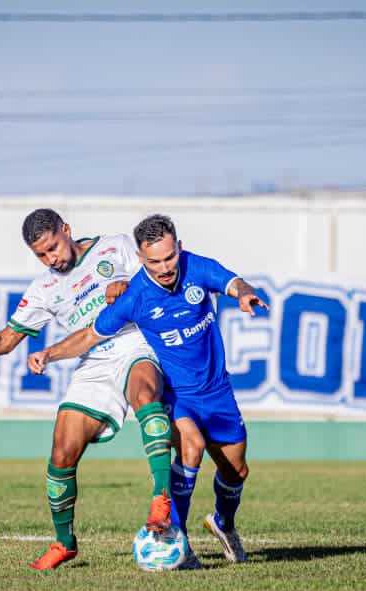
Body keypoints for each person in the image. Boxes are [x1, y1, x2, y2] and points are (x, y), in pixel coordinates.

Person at [0, 208, 174, 571]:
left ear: (67, 230)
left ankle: (161, 502)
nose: (52, 258)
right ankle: (64, 543)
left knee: (146, 397)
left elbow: (162, 275)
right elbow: (5, 340)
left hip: (136, 344)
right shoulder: (44, 289)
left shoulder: (114, 247)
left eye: (54, 247)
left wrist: (131, 286)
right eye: (42, 255)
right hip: (92, 364)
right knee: (61, 454)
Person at [29, 214, 268, 568]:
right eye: (154, 261)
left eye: (169, 257)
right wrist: (50, 353)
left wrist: (245, 293)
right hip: (177, 393)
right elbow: (91, 335)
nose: (165, 267)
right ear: (140, 259)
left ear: (179, 248)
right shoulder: (136, 296)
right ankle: (179, 540)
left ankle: (223, 523)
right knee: (191, 447)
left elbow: (232, 281)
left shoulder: (196, 268)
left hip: (217, 392)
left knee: (236, 472)